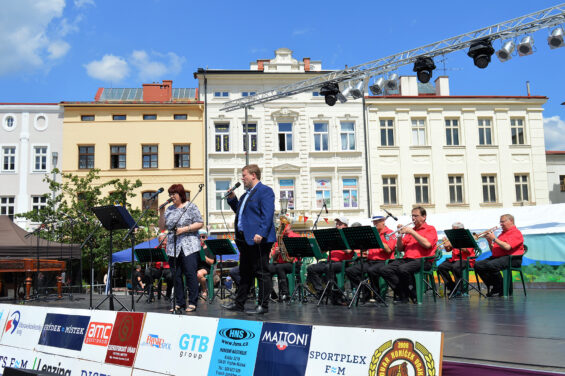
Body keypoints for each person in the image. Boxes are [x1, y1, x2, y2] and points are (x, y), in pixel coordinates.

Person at [222, 164, 276, 315]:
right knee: (245, 272)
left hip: (259, 239)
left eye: (244, 175)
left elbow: (268, 214)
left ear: (253, 175)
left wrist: (261, 232)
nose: (242, 178)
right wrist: (232, 200)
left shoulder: (265, 191)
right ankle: (239, 304)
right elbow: (242, 213)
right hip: (244, 240)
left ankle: (263, 306)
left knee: (262, 272)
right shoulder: (245, 195)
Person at [158, 184, 203, 313]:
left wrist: (185, 229)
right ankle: (180, 302)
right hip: (173, 246)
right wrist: (161, 213)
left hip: (190, 245)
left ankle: (193, 302)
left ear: (181, 194)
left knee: (190, 273)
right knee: (176, 276)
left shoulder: (190, 206)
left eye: (174, 194)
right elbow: (162, 227)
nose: (172, 197)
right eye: (170, 194)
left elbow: (200, 223)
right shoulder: (170, 209)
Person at [379, 206, 438, 304]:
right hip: (408, 259)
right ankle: (403, 294)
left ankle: (413, 294)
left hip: (424, 260)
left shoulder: (430, 229)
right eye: (412, 216)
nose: (413, 218)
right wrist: (399, 236)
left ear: (424, 217)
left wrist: (412, 232)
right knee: (385, 270)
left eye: (416, 216)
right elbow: (400, 248)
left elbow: (427, 245)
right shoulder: (411, 231)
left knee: (402, 269)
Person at [306, 216, 354, 305]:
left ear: (346, 226)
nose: (337, 226)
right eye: (337, 224)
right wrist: (322, 246)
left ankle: (335, 295)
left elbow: (349, 251)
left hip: (342, 262)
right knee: (311, 268)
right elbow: (322, 251)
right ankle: (321, 291)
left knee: (329, 267)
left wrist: (337, 243)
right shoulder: (334, 236)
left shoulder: (349, 235)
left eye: (340, 224)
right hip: (330, 261)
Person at [349, 214, 396, 303]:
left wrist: (377, 237)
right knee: (351, 271)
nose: (374, 224)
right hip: (370, 261)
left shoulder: (390, 233)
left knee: (371, 270)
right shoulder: (373, 233)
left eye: (377, 222)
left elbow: (389, 250)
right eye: (374, 222)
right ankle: (365, 292)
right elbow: (364, 249)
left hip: (384, 261)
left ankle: (376, 294)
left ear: (383, 221)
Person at [474, 214, 524, 297]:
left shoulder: (516, 233)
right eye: (500, 222)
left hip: (512, 258)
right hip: (499, 257)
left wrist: (494, 238)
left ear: (511, 221)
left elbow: (507, 247)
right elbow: (494, 250)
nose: (501, 224)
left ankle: (501, 288)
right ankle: (496, 286)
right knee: (478, 265)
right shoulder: (502, 234)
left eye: (502, 222)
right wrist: (489, 240)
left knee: (492, 265)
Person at [436, 222, 476, 296]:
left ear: (461, 230)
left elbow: (467, 251)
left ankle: (459, 289)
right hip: (454, 259)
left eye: (455, 230)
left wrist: (454, 243)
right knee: (441, 267)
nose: (453, 232)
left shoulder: (468, 237)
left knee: (456, 267)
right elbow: (448, 250)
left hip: (466, 260)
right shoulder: (453, 238)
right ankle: (452, 287)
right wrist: (445, 244)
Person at [269, 218, 301, 302]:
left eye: (284, 225)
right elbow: (274, 258)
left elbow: (299, 252)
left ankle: (285, 293)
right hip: (278, 264)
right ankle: (272, 293)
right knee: (264, 269)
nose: (281, 227)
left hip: (291, 263)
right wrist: (275, 253)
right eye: (281, 225)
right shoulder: (279, 239)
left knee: (280, 267)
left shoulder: (295, 237)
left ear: (289, 226)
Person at [197, 229, 215, 299]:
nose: (201, 239)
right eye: (199, 237)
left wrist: (204, 257)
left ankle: (204, 290)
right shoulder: (196, 248)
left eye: (203, 237)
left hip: (206, 267)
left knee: (199, 274)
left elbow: (211, 262)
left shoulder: (209, 248)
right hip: (196, 266)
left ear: (206, 238)